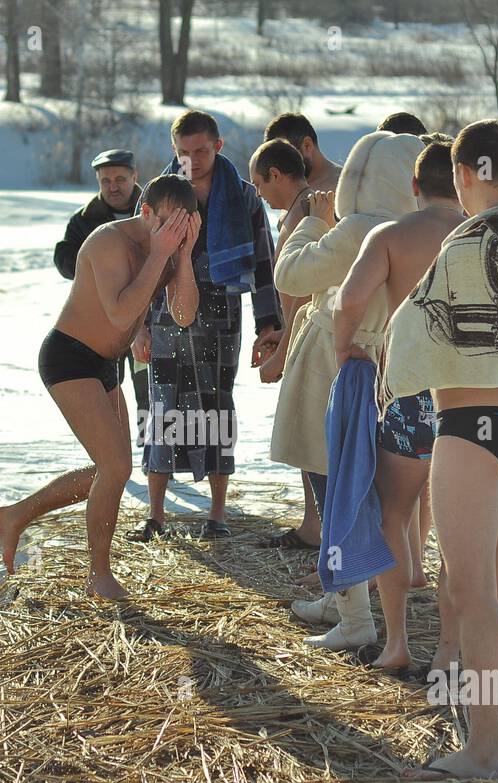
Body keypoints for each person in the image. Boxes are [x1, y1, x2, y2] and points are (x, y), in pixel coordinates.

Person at [383, 119, 498, 779]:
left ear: (464, 176)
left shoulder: (466, 241)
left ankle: (483, 749)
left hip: (471, 430)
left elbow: (408, 333)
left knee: (471, 593)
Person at [0, 175, 201, 599]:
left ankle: (15, 516)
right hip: (69, 357)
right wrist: (160, 253)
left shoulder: (173, 246)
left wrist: (186, 256)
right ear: (145, 213)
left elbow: (182, 315)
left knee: (112, 470)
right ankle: (98, 576)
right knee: (117, 468)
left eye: (183, 227)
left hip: (107, 364)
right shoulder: (108, 242)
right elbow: (122, 312)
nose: (173, 236)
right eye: (166, 227)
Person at [270, 131, 425, 650]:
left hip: (333, 366)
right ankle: (343, 599)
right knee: (358, 485)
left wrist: (311, 222)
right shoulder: (412, 229)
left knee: (333, 485)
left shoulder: (359, 228)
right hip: (386, 364)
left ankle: (356, 617)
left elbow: (291, 274)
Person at [334, 135, 464, 673]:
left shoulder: (391, 235)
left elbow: (349, 300)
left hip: (410, 396)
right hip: (466, 395)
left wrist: (348, 347)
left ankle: (397, 644)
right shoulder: (476, 238)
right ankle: (451, 652)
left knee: (394, 514)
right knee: (460, 528)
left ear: (414, 186)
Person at [129, 110, 282, 540]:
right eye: (183, 152)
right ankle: (155, 514)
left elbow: (264, 265)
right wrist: (136, 328)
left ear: (217, 145)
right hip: (161, 311)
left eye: (200, 151)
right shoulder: (157, 196)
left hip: (222, 315)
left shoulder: (245, 198)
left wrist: (268, 326)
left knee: (217, 404)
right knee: (160, 406)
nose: (192, 161)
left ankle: (217, 514)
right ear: (173, 151)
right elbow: (139, 265)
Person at [248, 137, 321, 552]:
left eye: (260, 183)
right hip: (299, 330)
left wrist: (281, 351)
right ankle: (314, 524)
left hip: (310, 335)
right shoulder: (297, 211)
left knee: (311, 439)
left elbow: (310, 292)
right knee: (304, 438)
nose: (258, 193)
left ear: (277, 175)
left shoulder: (308, 211)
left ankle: (321, 531)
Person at [53, 149, 150, 434]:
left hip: (145, 317)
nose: (113, 186)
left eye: (120, 178)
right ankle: (112, 448)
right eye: (105, 180)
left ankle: (150, 450)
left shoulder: (153, 209)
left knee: (148, 385)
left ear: (135, 176)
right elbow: (65, 261)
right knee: (107, 386)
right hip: (102, 322)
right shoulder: (83, 220)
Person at [264, 113, 342, 191]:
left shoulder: (344, 185)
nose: (280, 168)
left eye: (284, 157)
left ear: (307, 145)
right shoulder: (284, 190)